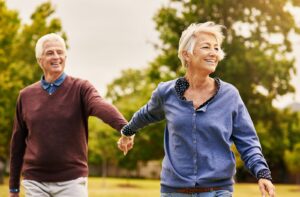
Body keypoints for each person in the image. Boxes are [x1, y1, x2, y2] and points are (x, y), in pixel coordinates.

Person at [118, 22, 275, 197]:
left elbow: (248, 141)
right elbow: (146, 114)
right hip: (175, 192)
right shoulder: (166, 93)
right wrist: (127, 132)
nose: (213, 53)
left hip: (217, 191)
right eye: (206, 47)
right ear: (187, 54)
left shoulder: (229, 95)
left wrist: (262, 173)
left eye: (216, 48)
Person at [9, 33, 129, 197]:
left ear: (65, 57)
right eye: (50, 53)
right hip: (35, 182)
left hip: (71, 181)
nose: (56, 56)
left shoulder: (81, 88)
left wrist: (124, 128)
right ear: (39, 60)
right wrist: (13, 188)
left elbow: (100, 105)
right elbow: (17, 145)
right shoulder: (26, 96)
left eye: (60, 52)